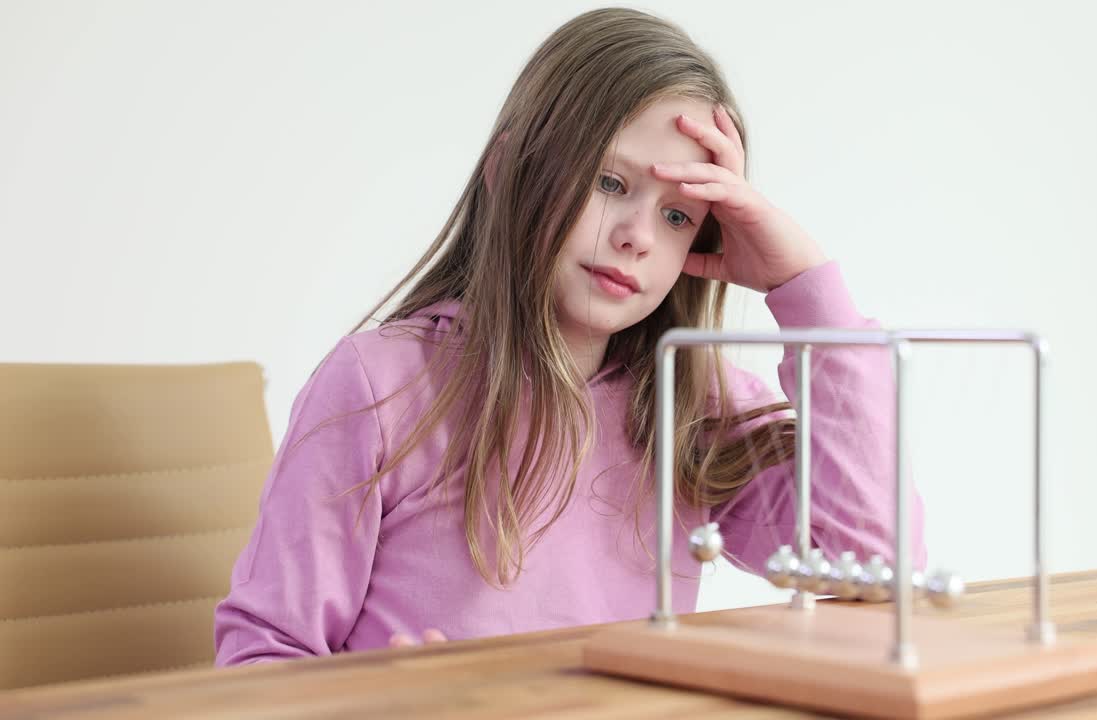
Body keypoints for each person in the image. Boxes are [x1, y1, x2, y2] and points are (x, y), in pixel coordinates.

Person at [214, 6, 925, 666]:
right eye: (609, 184)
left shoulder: (689, 405)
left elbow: (881, 568)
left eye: (679, 216)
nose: (636, 236)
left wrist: (802, 285)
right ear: (505, 170)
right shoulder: (381, 384)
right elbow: (262, 657)